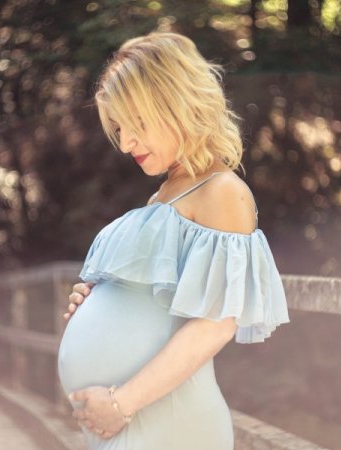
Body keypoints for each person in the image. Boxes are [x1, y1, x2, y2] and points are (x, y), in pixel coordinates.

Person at [56, 31, 290, 450]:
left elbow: (215, 324)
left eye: (138, 124)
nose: (126, 143)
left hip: (164, 421)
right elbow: (154, 300)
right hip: (131, 421)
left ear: (178, 104)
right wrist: (94, 298)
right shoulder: (165, 193)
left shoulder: (223, 192)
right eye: (120, 127)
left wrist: (122, 403)